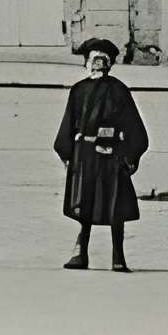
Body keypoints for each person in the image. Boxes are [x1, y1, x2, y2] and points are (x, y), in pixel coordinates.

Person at [53, 36, 150, 272]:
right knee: (84, 203)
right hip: (85, 155)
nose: (97, 64)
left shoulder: (119, 90)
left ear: (109, 64)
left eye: (102, 60)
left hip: (112, 155)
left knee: (115, 205)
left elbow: (134, 126)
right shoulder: (78, 91)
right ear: (86, 62)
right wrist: (67, 153)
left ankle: (118, 257)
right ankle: (80, 253)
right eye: (93, 59)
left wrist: (131, 156)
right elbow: (69, 124)